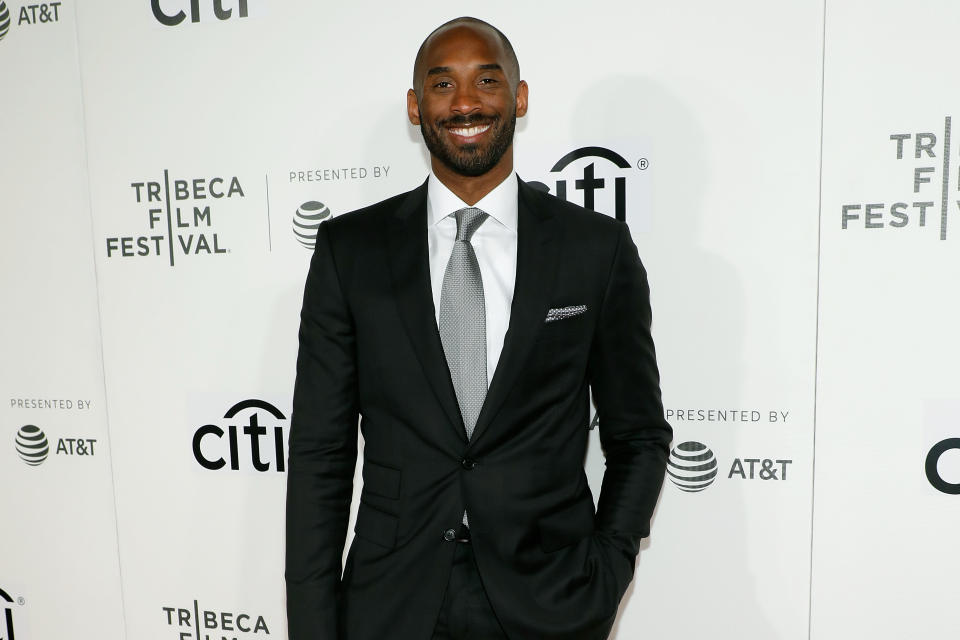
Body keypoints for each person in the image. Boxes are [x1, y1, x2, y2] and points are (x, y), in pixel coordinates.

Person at [286, 16, 672, 640]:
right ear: (415, 108)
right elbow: (319, 455)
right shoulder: (348, 251)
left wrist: (609, 565)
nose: (465, 101)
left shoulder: (594, 249)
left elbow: (640, 435)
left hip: (551, 601)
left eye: (486, 80)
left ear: (519, 97)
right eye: (442, 84)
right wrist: (311, 625)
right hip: (392, 601)